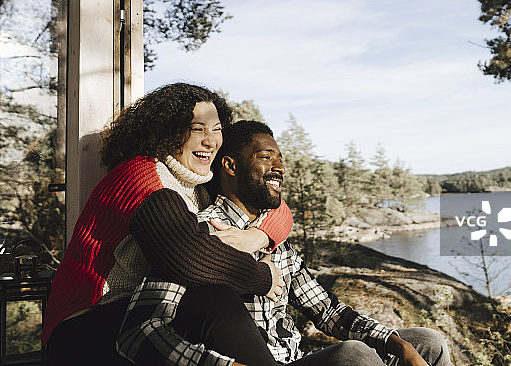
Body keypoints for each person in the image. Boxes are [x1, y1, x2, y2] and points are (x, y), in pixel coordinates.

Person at [117, 120, 452, 366]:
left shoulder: (276, 241)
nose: (279, 167)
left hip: (298, 357)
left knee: (428, 342)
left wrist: (395, 343)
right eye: (266, 158)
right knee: (354, 356)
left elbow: (330, 312)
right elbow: (139, 331)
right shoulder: (197, 238)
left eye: (280, 159)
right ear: (230, 165)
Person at [43, 84, 292, 366]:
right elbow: (188, 257)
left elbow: (275, 204)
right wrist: (262, 277)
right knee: (213, 299)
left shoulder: (197, 184)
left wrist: (258, 236)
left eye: (217, 129)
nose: (211, 141)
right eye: (199, 129)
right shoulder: (140, 177)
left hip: (145, 312)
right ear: (168, 132)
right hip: (84, 329)